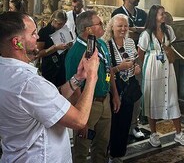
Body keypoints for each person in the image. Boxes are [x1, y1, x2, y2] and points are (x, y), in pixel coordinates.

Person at [0, 11, 99, 162]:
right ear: (17, 42)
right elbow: (79, 121)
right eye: (33, 34)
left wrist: (78, 78)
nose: (38, 37)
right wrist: (92, 77)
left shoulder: (7, 72)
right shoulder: (29, 84)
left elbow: (50, 99)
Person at [65, 10, 116, 163]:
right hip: (88, 105)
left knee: (102, 144)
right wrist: (80, 117)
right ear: (88, 29)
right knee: (82, 147)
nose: (103, 26)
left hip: (104, 100)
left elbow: (109, 69)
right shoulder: (75, 53)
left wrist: (115, 95)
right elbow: (74, 88)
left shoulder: (100, 43)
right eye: (99, 24)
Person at [138, 5, 184, 147]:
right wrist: (152, 63)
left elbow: (171, 49)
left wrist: (167, 52)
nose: (164, 16)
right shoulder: (146, 34)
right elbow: (141, 55)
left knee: (172, 97)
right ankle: (153, 135)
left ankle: (178, 134)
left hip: (168, 67)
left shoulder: (169, 30)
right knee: (152, 100)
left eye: (164, 13)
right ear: (154, 16)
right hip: (152, 69)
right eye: (161, 14)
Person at [103, 14, 142, 162]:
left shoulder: (131, 42)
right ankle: (107, 152)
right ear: (112, 27)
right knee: (112, 124)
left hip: (128, 89)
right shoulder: (105, 44)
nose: (123, 29)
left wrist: (136, 68)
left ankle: (118, 154)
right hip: (113, 88)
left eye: (125, 25)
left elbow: (134, 62)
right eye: (119, 25)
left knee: (125, 123)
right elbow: (105, 73)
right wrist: (119, 68)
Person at [112, 0, 148, 138]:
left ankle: (134, 125)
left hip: (136, 54)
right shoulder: (117, 13)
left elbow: (147, 31)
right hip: (119, 57)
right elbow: (120, 34)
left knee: (135, 92)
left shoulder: (142, 13)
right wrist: (135, 30)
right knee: (119, 93)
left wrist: (135, 30)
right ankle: (118, 124)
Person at [37, 10, 72, 87]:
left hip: (63, 64)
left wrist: (69, 45)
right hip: (50, 67)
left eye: (63, 24)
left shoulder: (64, 30)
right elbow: (38, 54)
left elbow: (70, 45)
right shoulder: (44, 32)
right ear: (54, 20)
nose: (61, 26)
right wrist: (55, 48)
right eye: (60, 24)